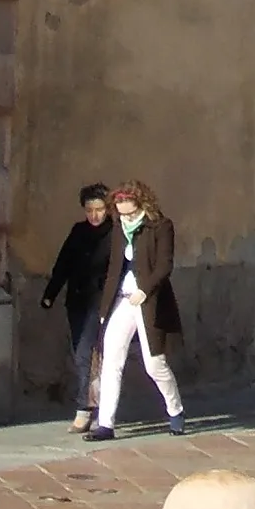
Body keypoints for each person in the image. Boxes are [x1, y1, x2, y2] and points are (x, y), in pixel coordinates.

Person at [86, 181, 185, 440]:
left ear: (142, 205)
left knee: (154, 363)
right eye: (121, 213)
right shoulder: (119, 228)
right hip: (122, 299)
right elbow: (114, 269)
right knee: (111, 360)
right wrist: (105, 307)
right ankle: (105, 424)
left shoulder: (161, 226)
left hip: (147, 299)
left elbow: (165, 265)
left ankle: (175, 410)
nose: (126, 218)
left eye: (131, 213)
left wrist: (146, 289)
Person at [41, 183, 113, 432]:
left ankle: (85, 409)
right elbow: (64, 264)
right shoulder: (78, 232)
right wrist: (50, 293)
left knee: (87, 354)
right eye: (89, 209)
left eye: (99, 209)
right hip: (77, 301)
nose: (94, 215)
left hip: (101, 302)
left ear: (108, 209)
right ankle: (98, 405)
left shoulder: (115, 234)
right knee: (82, 355)